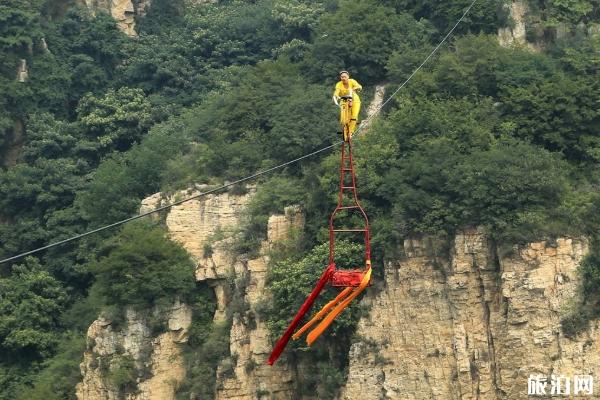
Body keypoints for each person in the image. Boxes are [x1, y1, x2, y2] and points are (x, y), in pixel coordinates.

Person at [332, 70, 363, 136]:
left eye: (344, 77)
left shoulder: (352, 81)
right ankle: (344, 125)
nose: (343, 78)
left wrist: (355, 88)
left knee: (354, 116)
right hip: (344, 100)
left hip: (354, 100)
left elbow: (359, 86)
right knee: (344, 117)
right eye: (342, 77)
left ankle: (350, 132)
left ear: (348, 77)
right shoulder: (339, 84)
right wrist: (336, 97)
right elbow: (336, 92)